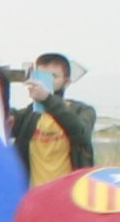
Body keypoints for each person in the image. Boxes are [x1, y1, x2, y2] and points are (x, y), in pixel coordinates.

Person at [7, 53, 98, 182]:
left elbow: (80, 133)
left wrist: (47, 99)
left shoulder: (82, 111)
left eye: (53, 77)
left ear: (66, 82)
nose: (45, 83)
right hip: (33, 197)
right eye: (41, 77)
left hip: (67, 196)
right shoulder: (28, 116)